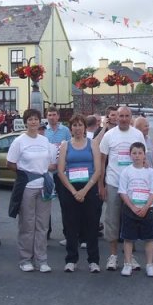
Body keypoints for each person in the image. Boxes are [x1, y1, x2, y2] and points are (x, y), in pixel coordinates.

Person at [7, 108, 56, 273]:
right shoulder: (19, 141)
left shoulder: (44, 140)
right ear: (26, 122)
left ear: (39, 121)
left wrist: (42, 172)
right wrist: (26, 173)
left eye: (36, 119)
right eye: (30, 119)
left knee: (42, 225)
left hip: (44, 188)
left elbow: (50, 163)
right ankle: (25, 259)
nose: (33, 122)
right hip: (28, 188)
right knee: (27, 224)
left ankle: (42, 259)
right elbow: (11, 163)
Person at [98, 106, 145, 271]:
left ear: (131, 117)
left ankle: (129, 256)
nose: (124, 119)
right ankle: (113, 256)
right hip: (113, 183)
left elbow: (142, 159)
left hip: (132, 186)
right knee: (112, 220)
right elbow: (102, 161)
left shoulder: (137, 135)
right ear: (115, 118)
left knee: (130, 221)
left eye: (127, 116)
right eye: (121, 116)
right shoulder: (109, 135)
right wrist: (101, 185)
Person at [56, 114, 102, 273]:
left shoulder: (93, 143)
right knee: (71, 226)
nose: (77, 128)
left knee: (91, 225)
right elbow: (61, 171)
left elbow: (98, 170)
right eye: (74, 125)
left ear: (84, 127)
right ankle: (71, 259)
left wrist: (85, 190)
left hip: (89, 188)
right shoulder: (65, 145)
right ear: (71, 128)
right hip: (70, 189)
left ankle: (93, 261)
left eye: (80, 125)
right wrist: (74, 191)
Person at [117, 142, 153, 277]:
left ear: (144, 155)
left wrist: (146, 207)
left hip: (147, 210)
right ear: (130, 155)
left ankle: (149, 264)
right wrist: (132, 207)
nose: (137, 156)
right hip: (130, 209)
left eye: (140, 153)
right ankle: (127, 263)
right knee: (128, 238)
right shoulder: (126, 171)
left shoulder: (150, 172)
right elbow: (123, 192)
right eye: (134, 153)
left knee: (149, 239)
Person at [44, 105, 71, 242]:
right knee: (45, 203)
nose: (52, 117)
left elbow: (69, 149)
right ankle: (45, 233)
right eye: (49, 115)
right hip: (47, 172)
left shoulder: (65, 131)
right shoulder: (43, 131)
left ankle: (67, 234)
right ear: (46, 116)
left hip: (61, 173)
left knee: (65, 205)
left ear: (58, 116)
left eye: (54, 115)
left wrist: (62, 166)